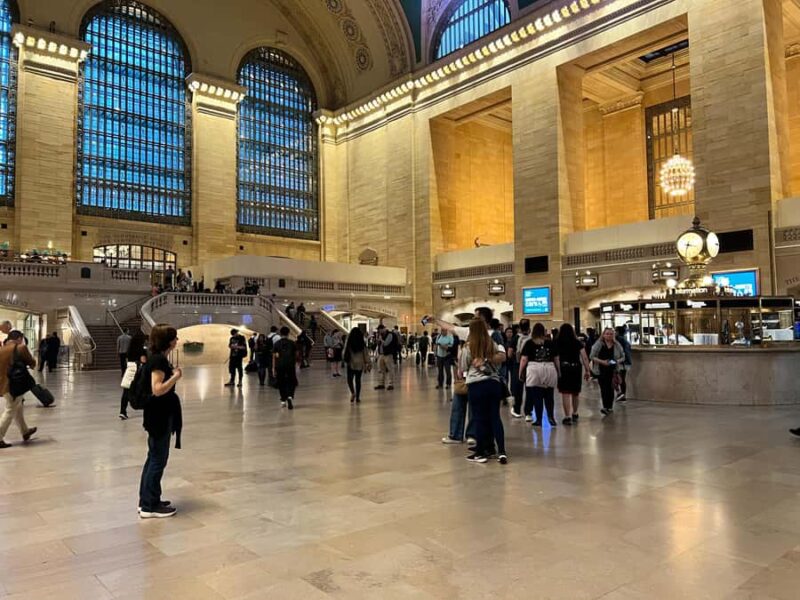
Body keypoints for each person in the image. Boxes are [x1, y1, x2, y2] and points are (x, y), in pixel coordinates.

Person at [138, 324, 182, 518]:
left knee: (153, 457)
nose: (177, 341)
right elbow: (157, 389)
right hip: (159, 415)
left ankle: (149, 499)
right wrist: (175, 377)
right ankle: (149, 505)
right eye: (175, 338)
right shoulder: (158, 361)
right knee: (157, 459)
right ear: (168, 341)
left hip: (157, 414)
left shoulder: (156, 357)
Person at [460, 319, 507, 464]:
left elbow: (463, 367)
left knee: (479, 418)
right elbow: (501, 357)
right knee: (495, 417)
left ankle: (480, 452)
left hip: (476, 385)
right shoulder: (491, 344)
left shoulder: (469, 347)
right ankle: (500, 451)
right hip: (493, 384)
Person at [0, 330, 38, 449]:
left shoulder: (1, 349)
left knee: (18, 407)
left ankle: (25, 431)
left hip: (4, 385)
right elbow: (32, 363)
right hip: (15, 385)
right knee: (10, 410)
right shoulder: (21, 348)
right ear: (19, 338)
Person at [519, 323, 559, 427]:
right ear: (544, 331)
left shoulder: (529, 343)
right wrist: (558, 371)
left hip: (534, 369)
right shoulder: (550, 343)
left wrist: (520, 372)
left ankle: (539, 420)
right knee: (549, 396)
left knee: (537, 397)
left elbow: (524, 359)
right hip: (549, 368)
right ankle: (551, 417)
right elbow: (556, 359)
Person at [556, 323, 591, 425]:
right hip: (576, 368)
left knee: (565, 393)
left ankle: (567, 416)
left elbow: (556, 358)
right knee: (575, 392)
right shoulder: (577, 342)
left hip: (563, 368)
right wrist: (588, 370)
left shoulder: (558, 342)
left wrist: (557, 370)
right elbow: (584, 357)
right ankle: (575, 413)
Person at [590, 327, 625, 416]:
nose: (609, 335)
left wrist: (617, 361)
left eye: (611, 334)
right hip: (601, 369)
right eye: (607, 334)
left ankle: (610, 407)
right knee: (604, 388)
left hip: (613, 370)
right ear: (603, 335)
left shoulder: (617, 345)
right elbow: (592, 356)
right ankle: (605, 406)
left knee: (611, 388)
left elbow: (623, 356)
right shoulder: (599, 344)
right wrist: (602, 362)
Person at [119, 333, 148, 420]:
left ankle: (122, 411)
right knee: (142, 390)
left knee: (126, 391)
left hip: (129, 368)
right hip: (137, 370)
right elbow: (143, 360)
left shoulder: (130, 349)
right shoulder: (141, 349)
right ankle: (145, 409)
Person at [272, 327, 297, 409]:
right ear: (288, 333)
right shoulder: (292, 343)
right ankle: (290, 396)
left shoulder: (277, 344)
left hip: (280, 365)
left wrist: (273, 368)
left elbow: (274, 357)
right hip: (290, 365)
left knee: (281, 382)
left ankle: (283, 400)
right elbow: (296, 355)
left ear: (280, 333)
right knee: (291, 381)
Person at [343, 327, 370, 403]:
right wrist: (368, 363)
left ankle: (353, 393)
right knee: (358, 380)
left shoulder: (349, 343)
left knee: (349, 380)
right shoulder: (362, 343)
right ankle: (357, 397)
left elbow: (345, 352)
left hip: (351, 363)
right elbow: (366, 355)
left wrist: (344, 359)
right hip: (360, 364)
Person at [510, 319, 531, 418]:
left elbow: (509, 353)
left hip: (518, 365)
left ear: (519, 327)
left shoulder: (515, 338)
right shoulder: (531, 339)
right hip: (530, 366)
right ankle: (528, 412)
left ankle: (517, 410)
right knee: (529, 389)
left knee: (518, 389)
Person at [374, 325, 397, 391]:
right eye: (378, 330)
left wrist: (381, 339)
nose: (379, 331)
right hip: (381, 354)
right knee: (381, 370)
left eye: (380, 329)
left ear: (384, 329)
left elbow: (386, 344)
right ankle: (381, 384)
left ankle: (390, 384)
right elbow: (379, 344)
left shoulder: (390, 335)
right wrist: (378, 341)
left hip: (388, 354)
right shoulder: (380, 335)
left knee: (390, 369)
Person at [615, 326, 633, 401]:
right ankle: (622, 394)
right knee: (621, 378)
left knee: (619, 378)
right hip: (625, 362)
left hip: (622, 362)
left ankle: (621, 394)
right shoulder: (624, 339)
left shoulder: (619, 339)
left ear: (618, 332)